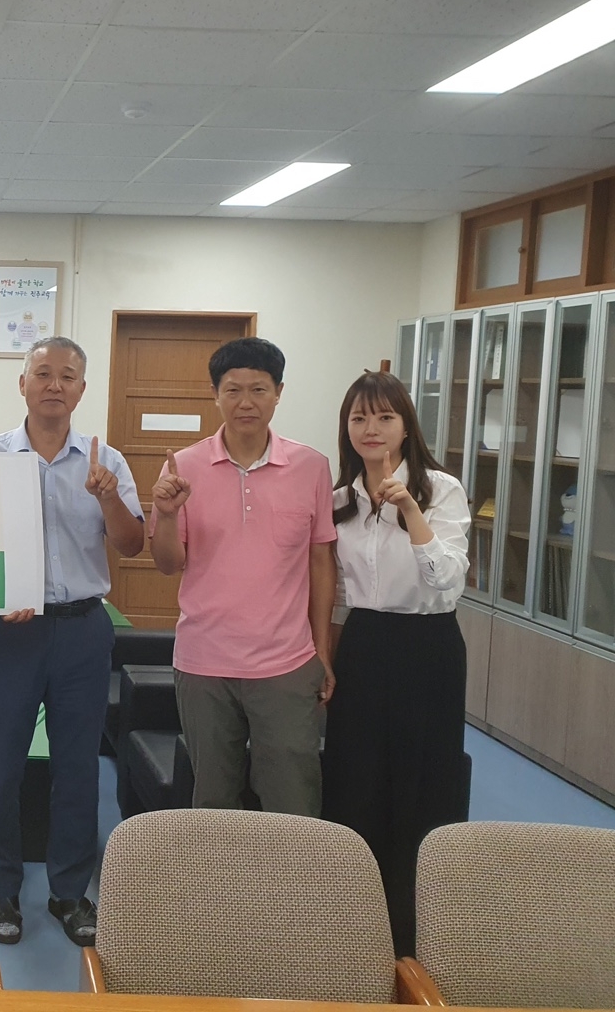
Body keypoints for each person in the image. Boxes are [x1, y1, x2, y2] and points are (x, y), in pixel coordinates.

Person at [0, 336, 146, 948]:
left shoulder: (107, 461)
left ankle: (70, 892)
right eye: (42, 373)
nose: (54, 384)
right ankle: (0, 890)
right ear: (22, 383)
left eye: (67, 375)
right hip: (8, 632)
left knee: (77, 768)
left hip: (81, 630)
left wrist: (107, 497)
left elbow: (131, 545)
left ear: (81, 388)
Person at [149, 337, 336, 817]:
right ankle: (215, 873)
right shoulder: (184, 467)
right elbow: (168, 563)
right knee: (213, 801)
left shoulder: (311, 467)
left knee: (293, 801)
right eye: (233, 390)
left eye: (258, 389)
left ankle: (292, 873)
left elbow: (320, 562)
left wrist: (322, 652)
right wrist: (166, 514)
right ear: (215, 394)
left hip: (286, 664)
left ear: (279, 393)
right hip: (204, 663)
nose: (246, 402)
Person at [322, 370, 470, 956]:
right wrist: (327, 660)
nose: (371, 429)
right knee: (356, 780)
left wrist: (410, 509)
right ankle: (354, 928)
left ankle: (415, 934)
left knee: (423, 782)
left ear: (406, 426)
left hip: (428, 646)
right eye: (359, 418)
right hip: (364, 645)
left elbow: (447, 581)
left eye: (385, 417)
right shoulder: (340, 500)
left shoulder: (441, 489)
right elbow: (338, 594)